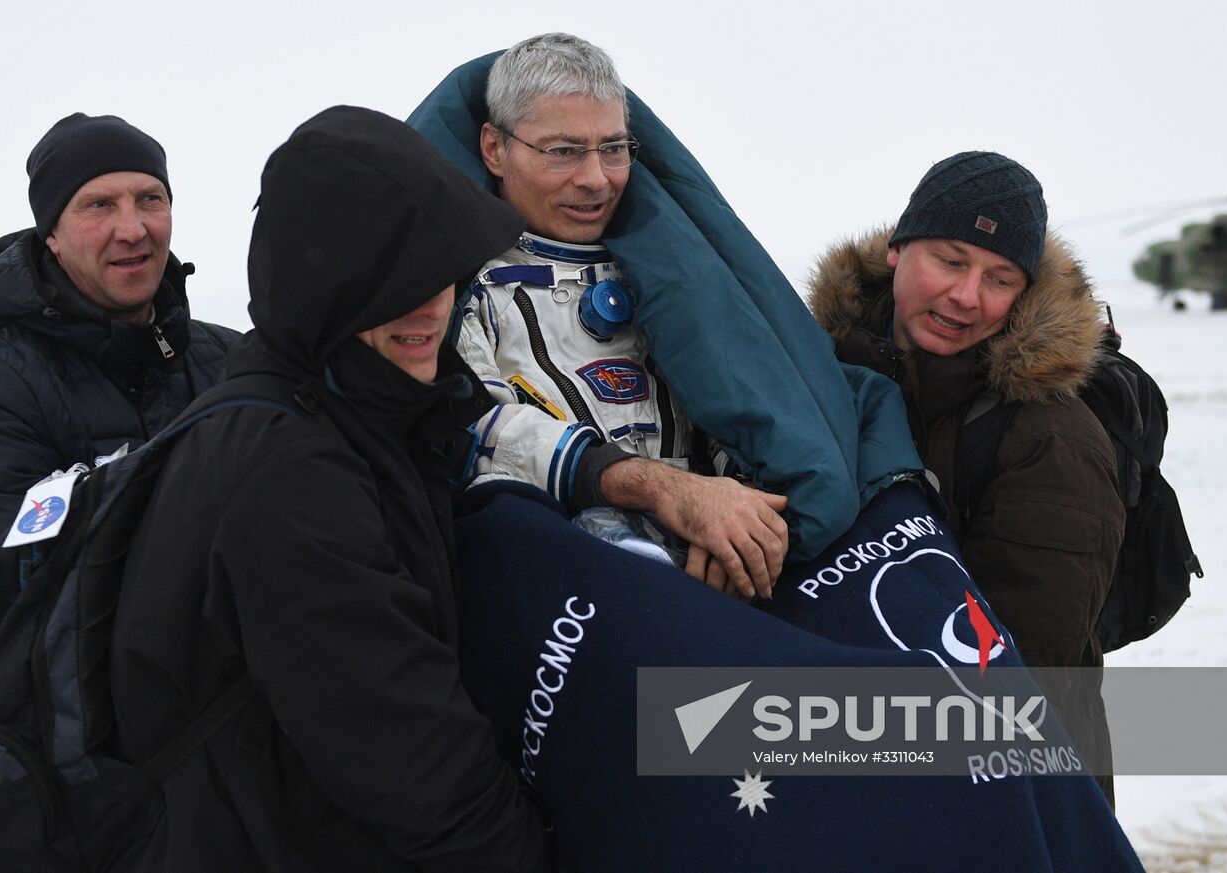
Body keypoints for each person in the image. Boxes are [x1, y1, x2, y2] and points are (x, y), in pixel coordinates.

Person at [109, 106, 549, 871]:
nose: (432, 304)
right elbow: (418, 770)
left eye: (441, 267)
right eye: (391, 283)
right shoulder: (289, 473)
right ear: (325, 287)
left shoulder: (359, 407)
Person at [807, 151, 1124, 803]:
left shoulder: (1051, 437)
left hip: (1010, 792)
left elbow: (1023, 676)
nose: (966, 296)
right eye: (950, 260)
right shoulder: (810, 377)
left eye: (1000, 278)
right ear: (898, 248)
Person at [457, 33, 789, 599]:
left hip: (716, 571)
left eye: (613, 148)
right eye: (563, 151)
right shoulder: (462, 287)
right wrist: (659, 491)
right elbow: (470, 429)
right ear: (494, 149)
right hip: (556, 586)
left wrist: (739, 509)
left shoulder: (680, 274)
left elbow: (745, 398)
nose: (597, 178)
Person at [0, 113, 238, 579]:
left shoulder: (232, 362)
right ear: (51, 234)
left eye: (149, 199)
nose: (132, 229)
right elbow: (16, 591)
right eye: (98, 205)